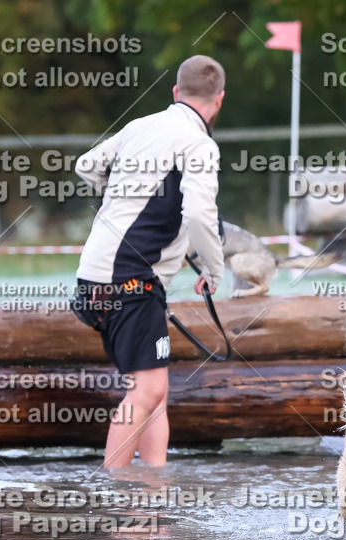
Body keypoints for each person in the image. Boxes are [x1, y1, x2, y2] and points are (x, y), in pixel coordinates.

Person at [73, 55, 226, 467]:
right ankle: (116, 490)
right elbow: (198, 213)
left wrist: (125, 192)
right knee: (146, 391)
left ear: (175, 93)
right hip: (130, 280)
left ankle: (153, 491)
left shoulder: (141, 125)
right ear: (220, 100)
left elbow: (86, 166)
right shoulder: (199, 144)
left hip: (95, 276)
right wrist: (213, 269)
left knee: (154, 390)